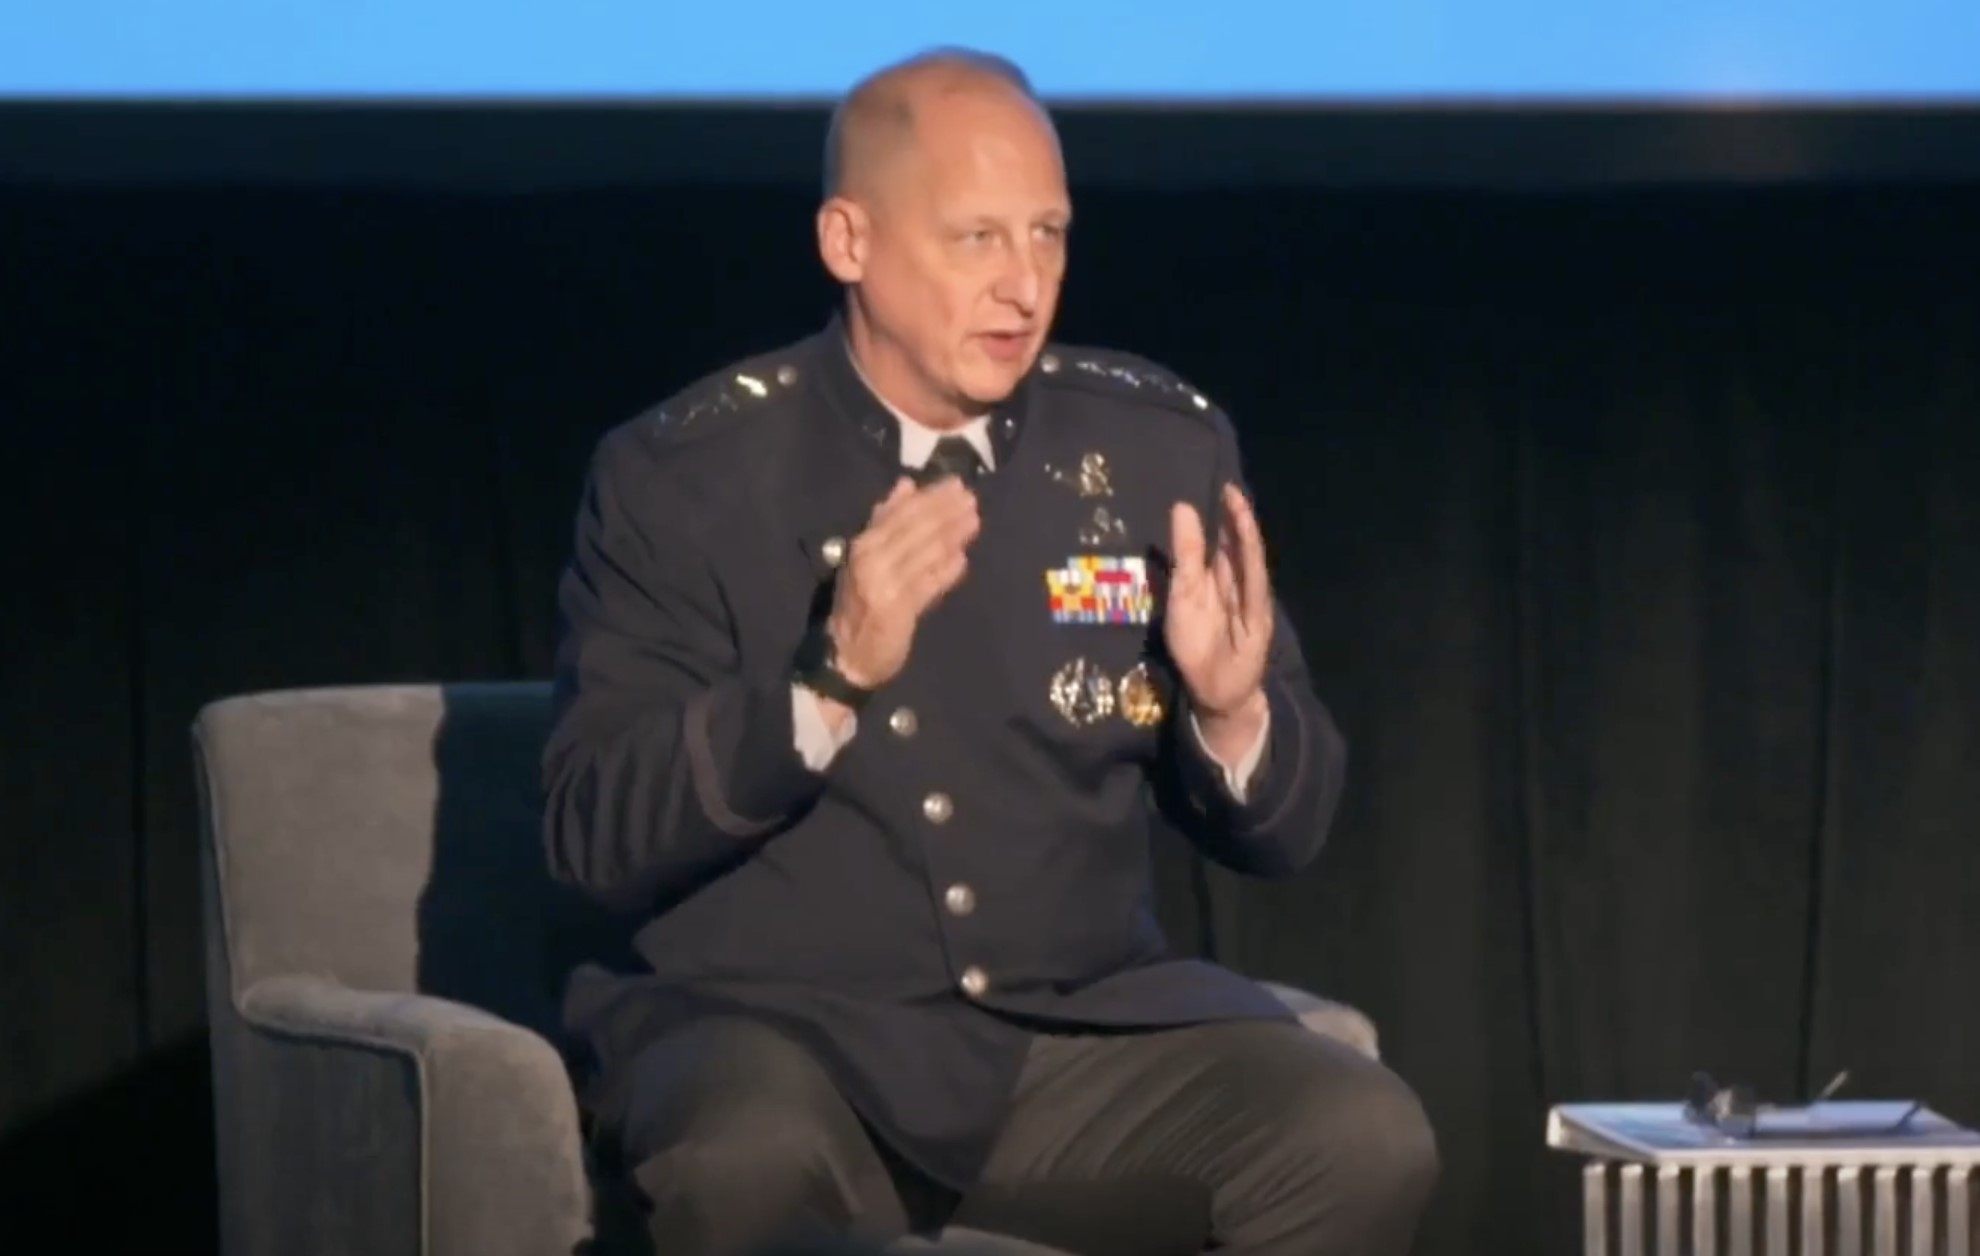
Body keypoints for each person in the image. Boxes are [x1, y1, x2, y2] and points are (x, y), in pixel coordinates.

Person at [542, 47, 1438, 1256]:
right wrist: (825, 681)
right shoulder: (683, 477)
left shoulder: (1158, 447)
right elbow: (592, 830)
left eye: (1050, 235)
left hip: (1070, 1041)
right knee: (743, 1165)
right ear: (847, 242)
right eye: (976, 240)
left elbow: (1289, 826)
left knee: (1361, 1137)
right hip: (781, 1035)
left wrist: (1232, 714)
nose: (1024, 285)